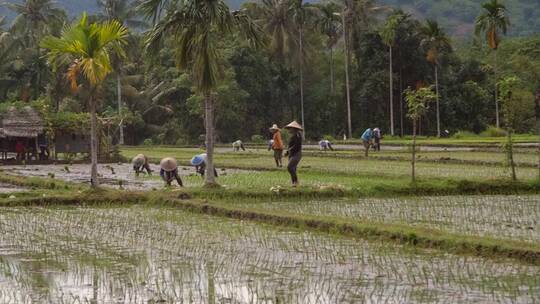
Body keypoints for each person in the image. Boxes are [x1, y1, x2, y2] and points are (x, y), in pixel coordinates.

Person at [284, 121, 303, 186]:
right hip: (292, 154)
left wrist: (289, 150)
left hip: (296, 154)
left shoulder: (298, 135)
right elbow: (290, 145)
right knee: (293, 168)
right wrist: (287, 152)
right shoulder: (293, 135)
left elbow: (297, 145)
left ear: (294, 129)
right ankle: (294, 183)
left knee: (289, 167)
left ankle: (296, 181)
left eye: (290, 128)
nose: (289, 130)